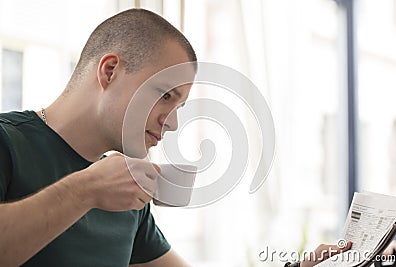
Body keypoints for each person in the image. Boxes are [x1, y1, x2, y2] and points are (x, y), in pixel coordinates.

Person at [0, 8, 350, 267]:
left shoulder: (123, 190)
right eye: (165, 95)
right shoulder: (9, 143)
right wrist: (86, 189)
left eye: (180, 104)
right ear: (109, 71)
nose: (172, 124)